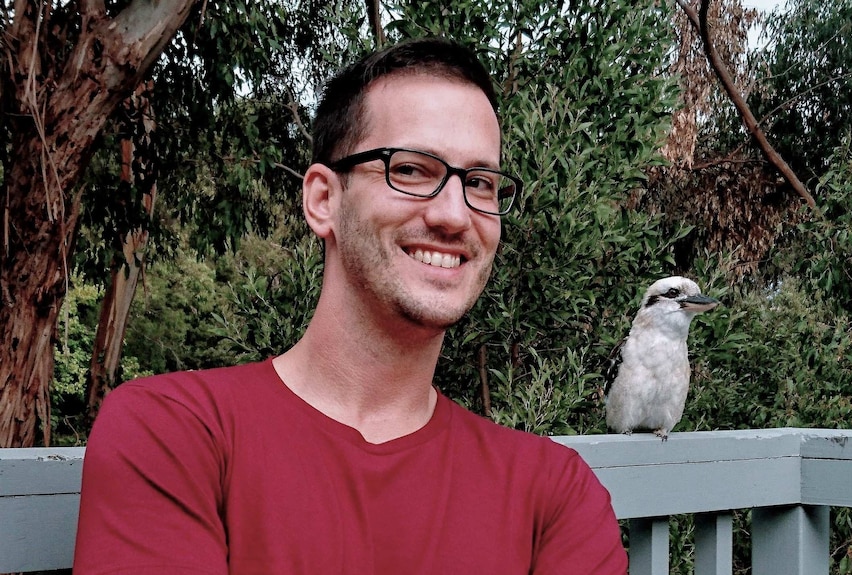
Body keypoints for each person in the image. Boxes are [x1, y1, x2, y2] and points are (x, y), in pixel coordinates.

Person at [73, 37, 627, 574]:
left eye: (480, 182)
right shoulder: (176, 434)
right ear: (323, 199)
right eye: (411, 169)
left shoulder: (554, 495)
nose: (456, 216)